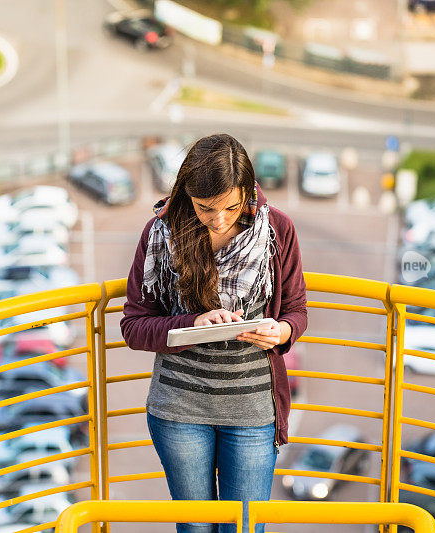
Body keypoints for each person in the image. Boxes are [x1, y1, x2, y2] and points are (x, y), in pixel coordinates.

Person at [120, 133, 307, 532]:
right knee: (196, 529)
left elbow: (297, 311)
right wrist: (191, 324)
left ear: (248, 193)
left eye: (231, 207)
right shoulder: (160, 232)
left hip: (253, 414)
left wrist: (283, 330)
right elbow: (133, 326)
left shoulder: (278, 230)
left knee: (243, 528)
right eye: (205, 208)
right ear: (186, 192)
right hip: (179, 411)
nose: (219, 219)